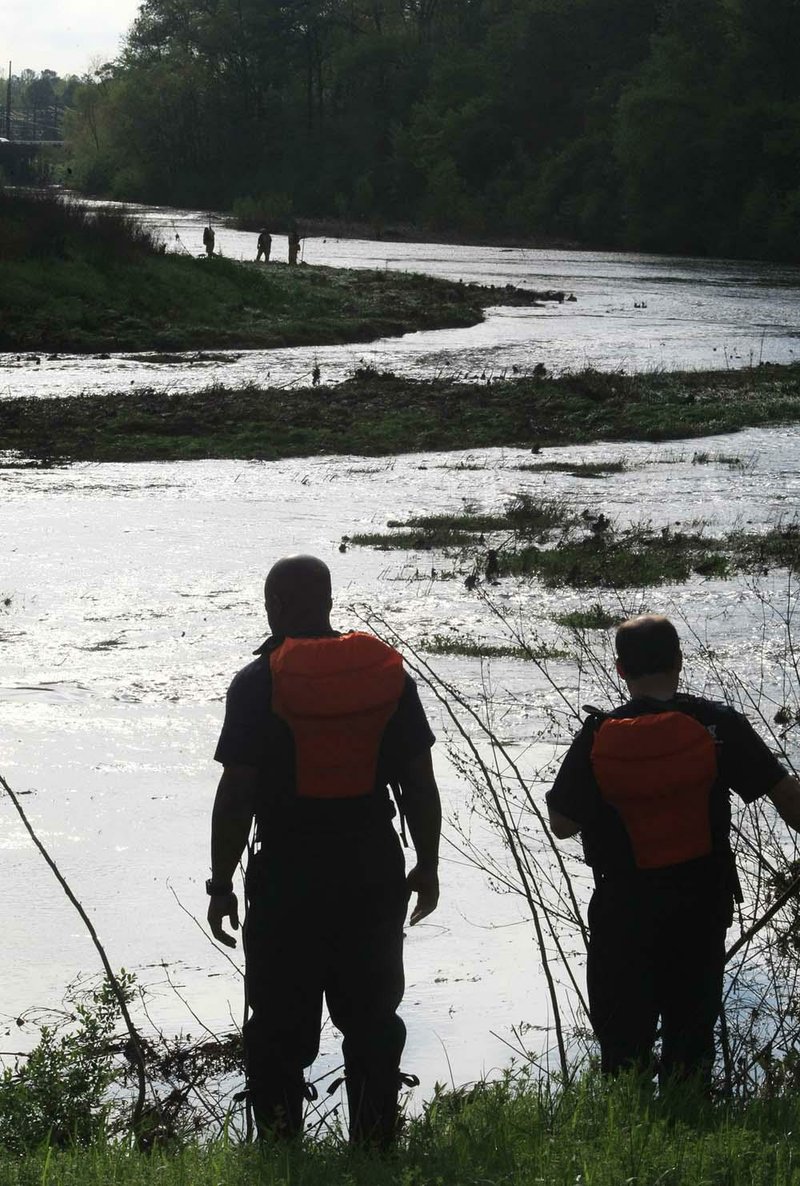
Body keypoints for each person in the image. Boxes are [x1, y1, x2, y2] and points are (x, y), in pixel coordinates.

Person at [207, 555, 441, 1145]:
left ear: (278, 607)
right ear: (330, 603)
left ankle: (283, 1150)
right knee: (372, 1020)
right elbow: (419, 781)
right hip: (371, 867)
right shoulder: (387, 674)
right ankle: (374, 1145)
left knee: (279, 1026)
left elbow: (236, 794)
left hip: (287, 872)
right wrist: (428, 865)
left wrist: (221, 882)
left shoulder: (257, 681)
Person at [547, 614, 800, 1088]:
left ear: (621, 670)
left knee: (624, 1043)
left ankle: (628, 1132)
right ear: (680, 662)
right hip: (700, 904)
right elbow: (787, 797)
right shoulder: (718, 725)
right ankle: (690, 1115)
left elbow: (562, 823)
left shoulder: (600, 735)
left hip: (622, 909)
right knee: (691, 1035)